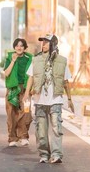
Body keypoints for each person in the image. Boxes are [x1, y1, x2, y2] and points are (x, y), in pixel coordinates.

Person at [23, 34, 72, 164]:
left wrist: (70, 99)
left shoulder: (62, 61)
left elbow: (66, 81)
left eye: (46, 42)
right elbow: (31, 77)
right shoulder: (36, 60)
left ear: (53, 44)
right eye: (42, 42)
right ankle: (44, 154)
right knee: (41, 131)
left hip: (55, 100)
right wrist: (26, 93)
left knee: (57, 128)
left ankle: (56, 154)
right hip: (39, 100)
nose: (43, 45)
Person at [3, 38, 34, 147]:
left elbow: (33, 75)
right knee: (11, 113)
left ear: (25, 48)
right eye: (17, 45)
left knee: (26, 112)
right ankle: (12, 138)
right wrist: (13, 61)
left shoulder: (30, 59)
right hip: (12, 89)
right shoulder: (9, 57)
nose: (19, 48)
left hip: (26, 89)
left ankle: (23, 136)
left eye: (21, 45)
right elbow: (6, 73)